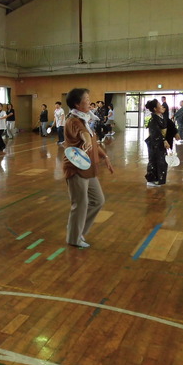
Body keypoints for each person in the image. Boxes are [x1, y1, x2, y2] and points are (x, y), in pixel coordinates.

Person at [63, 89, 114, 248]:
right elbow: (84, 135)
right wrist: (86, 141)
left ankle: (76, 230)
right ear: (77, 104)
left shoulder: (85, 119)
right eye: (86, 99)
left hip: (89, 167)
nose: (90, 101)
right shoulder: (74, 121)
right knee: (80, 203)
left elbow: (92, 140)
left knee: (98, 200)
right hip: (76, 167)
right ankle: (74, 237)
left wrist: (105, 156)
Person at [145, 99, 177, 187]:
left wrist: (175, 133)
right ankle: (152, 179)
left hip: (160, 142)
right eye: (160, 105)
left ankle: (158, 179)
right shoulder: (153, 120)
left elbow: (169, 126)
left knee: (162, 161)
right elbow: (156, 132)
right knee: (155, 160)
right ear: (155, 109)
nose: (162, 106)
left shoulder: (162, 117)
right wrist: (164, 140)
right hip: (155, 143)